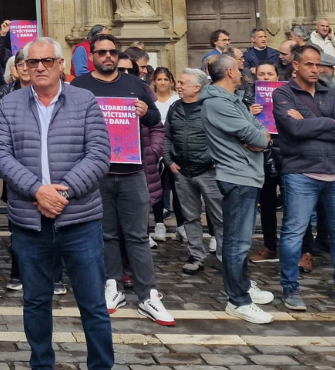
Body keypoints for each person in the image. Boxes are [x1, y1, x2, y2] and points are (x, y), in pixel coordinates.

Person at [0, 37, 115, 370]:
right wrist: (37, 191)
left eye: (47, 61)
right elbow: (1, 154)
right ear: (24, 68)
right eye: (33, 63)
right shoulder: (11, 103)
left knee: (92, 304)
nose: (41, 67)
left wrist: (63, 193)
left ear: (62, 64)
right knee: (35, 304)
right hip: (30, 223)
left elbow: (99, 155)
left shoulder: (85, 100)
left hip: (80, 220)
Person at [70, 37, 170, 324]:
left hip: (132, 172)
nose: (108, 56)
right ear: (93, 56)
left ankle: (148, 294)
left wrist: (144, 111)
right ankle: (112, 285)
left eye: (112, 52)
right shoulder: (80, 86)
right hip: (96, 173)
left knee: (138, 235)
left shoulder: (136, 84)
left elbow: (155, 118)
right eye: (102, 52)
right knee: (107, 234)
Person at [271, 45, 335, 313]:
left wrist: (312, 122)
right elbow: (294, 129)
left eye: (318, 65)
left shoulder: (332, 94)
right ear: (296, 66)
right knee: (293, 233)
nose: (316, 70)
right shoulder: (283, 93)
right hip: (301, 171)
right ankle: (290, 288)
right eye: (309, 65)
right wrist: (328, 123)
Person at [201, 53, 275, 324]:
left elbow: (259, 130)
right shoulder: (218, 104)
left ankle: (243, 287)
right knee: (236, 241)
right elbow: (256, 135)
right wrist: (258, 138)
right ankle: (238, 299)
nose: (244, 71)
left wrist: (259, 137)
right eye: (239, 68)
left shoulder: (233, 100)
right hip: (237, 176)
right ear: (229, 72)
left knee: (241, 241)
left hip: (247, 175)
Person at [164, 68, 224, 275]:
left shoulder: (211, 107)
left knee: (219, 216)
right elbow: (167, 137)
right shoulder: (175, 108)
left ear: (197, 88)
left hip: (209, 172)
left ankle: (226, 257)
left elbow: (224, 136)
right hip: (182, 172)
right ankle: (196, 255)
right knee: (190, 217)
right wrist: (169, 160)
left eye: (182, 83)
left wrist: (218, 158)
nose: (177, 86)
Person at [250, 62, 284, 264]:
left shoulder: (290, 93)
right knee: (268, 203)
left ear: (277, 76)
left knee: (296, 203)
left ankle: (302, 251)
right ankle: (270, 246)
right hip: (262, 154)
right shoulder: (248, 95)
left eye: (269, 74)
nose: (265, 77)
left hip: (288, 153)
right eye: (261, 74)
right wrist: (249, 112)